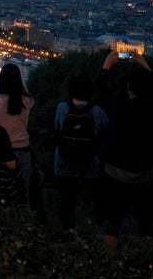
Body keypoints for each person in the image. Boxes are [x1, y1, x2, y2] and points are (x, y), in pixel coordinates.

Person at [97, 52, 153, 250]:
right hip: (146, 172)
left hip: (116, 171)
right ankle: (149, 261)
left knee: (113, 221)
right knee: (145, 220)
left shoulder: (120, 107)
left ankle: (110, 260)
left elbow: (102, 93)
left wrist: (106, 67)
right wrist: (146, 66)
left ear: (129, 88)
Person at [54, 71, 109, 232]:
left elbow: (57, 128)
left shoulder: (62, 108)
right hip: (89, 162)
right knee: (97, 198)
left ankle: (68, 232)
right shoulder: (96, 111)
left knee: (66, 202)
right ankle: (97, 230)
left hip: (64, 162)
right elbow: (106, 127)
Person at [0, 63, 35, 206]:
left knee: (0, 193)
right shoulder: (27, 100)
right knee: (23, 193)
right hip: (23, 150)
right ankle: (24, 225)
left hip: (0, 153)